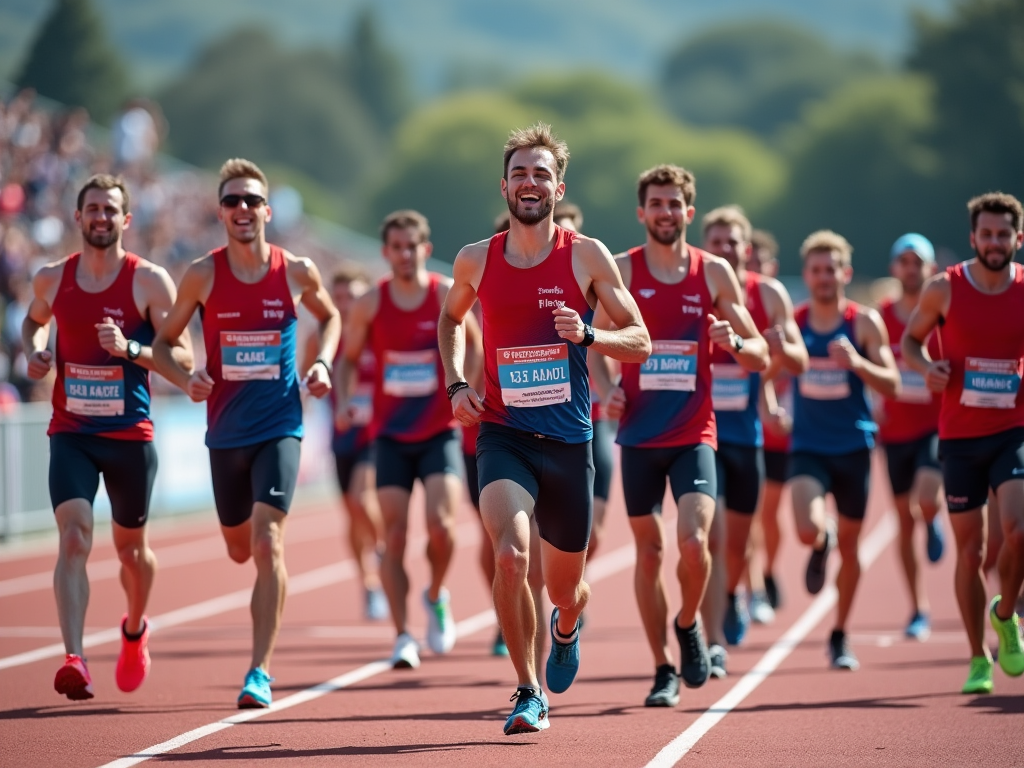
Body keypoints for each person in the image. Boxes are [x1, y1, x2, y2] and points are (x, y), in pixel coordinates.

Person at [439, 123, 651, 734]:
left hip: (567, 441)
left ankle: (567, 625)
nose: (529, 183)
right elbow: (451, 321)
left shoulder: (585, 255)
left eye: (541, 174)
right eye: (519, 173)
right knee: (510, 557)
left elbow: (638, 340)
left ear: (558, 186)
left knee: (565, 589)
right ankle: (528, 690)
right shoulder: (475, 259)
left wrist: (589, 335)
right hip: (503, 433)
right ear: (503, 185)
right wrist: (457, 384)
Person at [152, 159, 341, 708]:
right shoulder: (202, 275)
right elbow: (164, 343)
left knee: (267, 541)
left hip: (281, 424)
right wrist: (187, 376)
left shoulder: (296, 271)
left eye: (252, 201)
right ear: (219, 212)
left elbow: (328, 318)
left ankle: (259, 670)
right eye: (232, 201)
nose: (242, 210)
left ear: (267, 210)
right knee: (239, 548)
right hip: (224, 433)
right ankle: (258, 652)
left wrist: (322, 363)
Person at [591, 165, 769, 706]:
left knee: (694, 544)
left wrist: (733, 338)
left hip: (695, 432)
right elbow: (592, 340)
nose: (666, 213)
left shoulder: (713, 273)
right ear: (642, 212)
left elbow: (762, 353)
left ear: (688, 213)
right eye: (656, 204)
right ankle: (662, 667)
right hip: (640, 438)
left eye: (675, 205)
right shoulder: (620, 269)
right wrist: (606, 391)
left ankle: (689, 622)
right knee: (649, 555)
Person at [23, 174, 189, 700]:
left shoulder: (150, 282)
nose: (100, 217)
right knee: (73, 536)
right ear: (77, 217)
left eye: (110, 210)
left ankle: (135, 629)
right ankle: (74, 656)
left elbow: (182, 358)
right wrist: (37, 349)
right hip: (71, 430)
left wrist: (131, 351)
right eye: (92, 208)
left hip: (129, 436)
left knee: (131, 553)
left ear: (125, 220)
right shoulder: (52, 278)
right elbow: (33, 323)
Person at [902, 192, 1024, 694]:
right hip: (959, 438)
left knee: (1018, 530)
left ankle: (1006, 613)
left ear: (1018, 239)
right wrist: (927, 367)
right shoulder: (943, 289)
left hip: (1013, 431)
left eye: (1004, 235)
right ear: (974, 238)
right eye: (987, 234)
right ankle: (977, 657)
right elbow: (910, 342)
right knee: (970, 550)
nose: (995, 243)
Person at [336, 210, 465, 670]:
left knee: (442, 526)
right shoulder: (371, 303)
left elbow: (479, 348)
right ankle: (402, 635)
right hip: (389, 435)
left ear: (425, 249)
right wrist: (347, 398)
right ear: (385, 252)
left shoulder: (446, 293)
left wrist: (476, 395)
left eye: (413, 246)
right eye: (397, 247)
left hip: (438, 431)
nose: (405, 254)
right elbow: (348, 359)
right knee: (393, 535)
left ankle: (435, 593)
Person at [700, 206, 807, 665]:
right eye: (717, 242)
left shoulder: (768, 293)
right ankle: (714, 626)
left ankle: (731, 594)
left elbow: (800, 360)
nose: (725, 249)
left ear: (747, 249)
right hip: (701, 433)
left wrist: (775, 361)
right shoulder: (695, 288)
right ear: (708, 247)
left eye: (733, 242)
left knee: (741, 542)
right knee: (712, 534)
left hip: (746, 434)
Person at [789, 230, 900, 671]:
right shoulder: (795, 322)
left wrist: (857, 362)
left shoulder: (864, 322)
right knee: (804, 528)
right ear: (808, 275)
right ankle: (821, 538)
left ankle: (839, 634)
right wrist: (773, 404)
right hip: (808, 446)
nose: (822, 277)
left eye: (830, 269)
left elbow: (892, 383)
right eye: (815, 270)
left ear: (845, 273)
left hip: (854, 446)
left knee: (853, 551)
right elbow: (768, 373)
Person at [303, 266, 387, 621]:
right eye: (337, 299)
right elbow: (307, 379)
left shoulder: (379, 331)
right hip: (343, 435)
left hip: (378, 434)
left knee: (360, 497)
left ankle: (383, 550)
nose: (344, 305)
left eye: (351, 297)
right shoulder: (323, 337)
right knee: (351, 512)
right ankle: (368, 584)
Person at [876, 233, 946, 641]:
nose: (910, 268)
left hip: (935, 426)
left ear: (930, 268)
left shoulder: (941, 314)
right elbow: (870, 358)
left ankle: (934, 518)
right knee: (903, 523)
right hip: (895, 432)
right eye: (903, 260)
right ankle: (918, 608)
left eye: (917, 261)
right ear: (893, 268)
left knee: (926, 497)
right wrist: (874, 398)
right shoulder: (882, 315)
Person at [748, 228, 789, 611]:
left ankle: (770, 571)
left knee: (773, 516)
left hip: (787, 434)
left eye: (759, 263)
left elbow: (798, 362)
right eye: (749, 262)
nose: (752, 269)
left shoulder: (780, 306)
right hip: (751, 430)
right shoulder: (732, 304)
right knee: (755, 515)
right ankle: (755, 585)